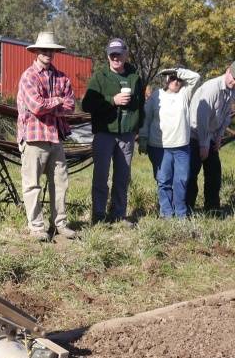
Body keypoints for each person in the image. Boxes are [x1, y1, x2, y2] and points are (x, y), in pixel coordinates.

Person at [17, 31, 77, 241]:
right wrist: (57, 101)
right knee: (32, 184)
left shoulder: (62, 77)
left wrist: (53, 103)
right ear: (36, 52)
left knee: (60, 183)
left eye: (51, 50)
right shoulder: (28, 76)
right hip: (34, 137)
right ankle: (36, 227)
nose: (48, 53)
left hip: (55, 137)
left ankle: (60, 224)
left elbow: (71, 106)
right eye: (44, 50)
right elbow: (36, 106)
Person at [82, 38, 145, 226]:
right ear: (108, 56)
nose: (116, 57)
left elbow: (141, 106)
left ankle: (118, 214)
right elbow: (87, 104)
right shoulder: (99, 77)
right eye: (112, 54)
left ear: (126, 54)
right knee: (101, 176)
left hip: (126, 134)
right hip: (104, 133)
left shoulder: (135, 77)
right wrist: (112, 100)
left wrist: (138, 129)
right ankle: (99, 216)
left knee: (122, 177)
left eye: (119, 53)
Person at [138, 68, 200, 218]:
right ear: (166, 80)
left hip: (182, 147)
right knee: (164, 181)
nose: (176, 81)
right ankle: (166, 213)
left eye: (178, 79)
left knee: (182, 180)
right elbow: (146, 119)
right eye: (172, 78)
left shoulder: (185, 94)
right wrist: (143, 139)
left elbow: (196, 77)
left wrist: (177, 71)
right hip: (160, 147)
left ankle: (181, 213)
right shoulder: (156, 95)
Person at [186, 61, 235, 213]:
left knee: (214, 172)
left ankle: (212, 208)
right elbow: (202, 118)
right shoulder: (211, 88)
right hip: (195, 135)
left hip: (211, 136)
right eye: (233, 78)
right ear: (228, 71)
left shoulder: (232, 91)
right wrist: (204, 144)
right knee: (191, 172)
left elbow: (226, 115)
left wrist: (219, 136)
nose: (234, 82)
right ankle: (187, 208)